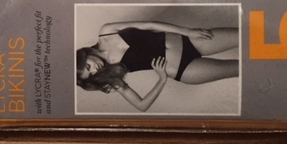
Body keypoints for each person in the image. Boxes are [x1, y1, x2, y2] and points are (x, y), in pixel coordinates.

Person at [76, 21, 239, 112]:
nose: (95, 70)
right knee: (242, 68)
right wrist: (162, 79)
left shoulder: (106, 31)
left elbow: (149, 25)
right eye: (91, 75)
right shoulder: (110, 76)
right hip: (185, 70)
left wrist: (187, 31)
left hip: (188, 40)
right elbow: (141, 106)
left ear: (84, 55)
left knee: (247, 34)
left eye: (88, 67)